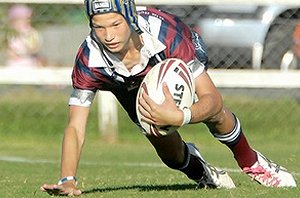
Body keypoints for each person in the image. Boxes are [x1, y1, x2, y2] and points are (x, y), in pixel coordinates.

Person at [40, 0, 297, 196]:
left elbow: (213, 99)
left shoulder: (166, 36)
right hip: (126, 82)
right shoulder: (88, 58)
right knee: (163, 142)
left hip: (173, 56)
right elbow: (75, 126)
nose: (108, 35)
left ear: (129, 18)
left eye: (115, 24)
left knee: (214, 114)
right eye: (99, 27)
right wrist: (67, 179)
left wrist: (181, 115)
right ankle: (202, 171)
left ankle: (251, 162)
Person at [5, 4, 43, 68]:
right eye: (20, 19)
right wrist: (11, 53)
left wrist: (31, 46)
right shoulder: (10, 33)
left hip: (29, 61)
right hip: (14, 63)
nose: (26, 21)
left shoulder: (32, 32)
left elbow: (35, 48)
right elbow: (8, 49)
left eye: (28, 19)